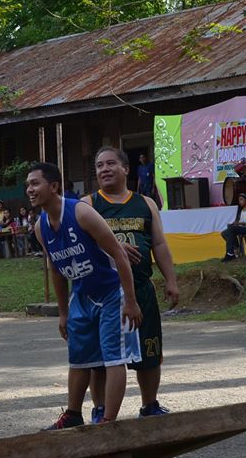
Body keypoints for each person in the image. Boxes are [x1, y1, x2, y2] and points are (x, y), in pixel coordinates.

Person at [27, 162, 142, 428]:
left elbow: (119, 254)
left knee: (114, 357)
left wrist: (131, 301)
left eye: (35, 183)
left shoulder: (81, 213)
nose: (30, 190)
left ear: (54, 186)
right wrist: (63, 313)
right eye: (28, 185)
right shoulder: (40, 227)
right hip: (81, 295)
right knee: (79, 358)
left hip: (111, 292)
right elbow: (55, 268)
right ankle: (73, 414)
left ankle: (108, 421)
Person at [82, 147, 180, 421]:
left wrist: (171, 280)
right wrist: (114, 247)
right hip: (105, 294)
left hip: (142, 288)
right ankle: (100, 408)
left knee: (150, 351)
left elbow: (159, 244)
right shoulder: (88, 204)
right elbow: (84, 245)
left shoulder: (145, 203)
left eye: (111, 163)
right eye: (99, 165)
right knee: (102, 358)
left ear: (126, 169)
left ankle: (150, 405)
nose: (104, 169)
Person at [220, 193, 246, 257]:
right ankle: (236, 246)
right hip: (240, 227)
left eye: (241, 199)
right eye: (239, 200)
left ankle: (232, 252)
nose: (240, 202)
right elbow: (239, 221)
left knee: (232, 229)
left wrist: (238, 224)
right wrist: (233, 223)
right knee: (224, 233)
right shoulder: (241, 211)